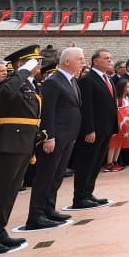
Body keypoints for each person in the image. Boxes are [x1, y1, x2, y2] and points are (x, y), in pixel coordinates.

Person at [0, 47, 47, 256]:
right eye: (34, 61)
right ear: (20, 63)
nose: (39, 64)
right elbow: (5, 94)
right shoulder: (9, 83)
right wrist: (22, 72)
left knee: (10, 191)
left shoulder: (30, 85)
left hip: (24, 142)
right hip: (9, 143)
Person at [26, 47, 85, 229]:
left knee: (57, 175)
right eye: (80, 59)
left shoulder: (72, 81)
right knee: (46, 175)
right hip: (56, 137)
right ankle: (36, 216)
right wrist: (49, 137)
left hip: (68, 136)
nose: (83, 62)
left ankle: (49, 209)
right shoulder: (54, 81)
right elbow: (48, 111)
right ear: (67, 61)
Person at [71, 48, 117, 210]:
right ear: (95, 61)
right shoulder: (88, 80)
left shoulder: (108, 79)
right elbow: (87, 107)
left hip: (106, 129)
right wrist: (89, 129)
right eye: (106, 58)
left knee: (97, 163)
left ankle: (88, 193)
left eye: (110, 58)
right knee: (86, 163)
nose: (110, 60)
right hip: (93, 130)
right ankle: (79, 198)